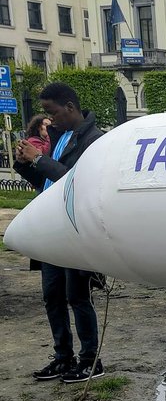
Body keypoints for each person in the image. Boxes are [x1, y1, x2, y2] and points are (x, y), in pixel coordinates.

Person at [13, 82, 106, 383]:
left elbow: (73, 180)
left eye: (52, 112)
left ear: (69, 106)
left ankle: (91, 360)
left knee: (77, 296)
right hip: (50, 228)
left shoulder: (95, 139)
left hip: (75, 230)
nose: (49, 119)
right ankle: (63, 357)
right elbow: (45, 184)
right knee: (52, 296)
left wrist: (39, 158)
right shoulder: (58, 136)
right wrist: (24, 162)